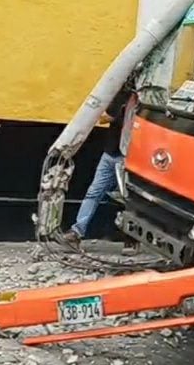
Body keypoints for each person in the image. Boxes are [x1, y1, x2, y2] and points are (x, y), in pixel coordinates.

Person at [59, 88, 138, 255]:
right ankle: (76, 232)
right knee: (94, 192)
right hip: (111, 152)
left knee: (129, 199)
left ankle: (131, 240)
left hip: (129, 156)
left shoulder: (143, 102)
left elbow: (108, 118)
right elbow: (105, 118)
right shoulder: (121, 96)